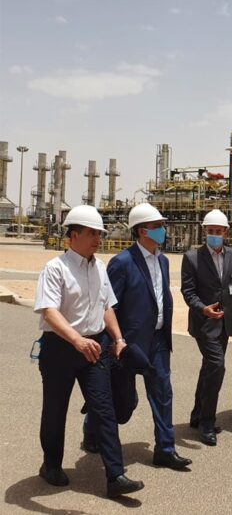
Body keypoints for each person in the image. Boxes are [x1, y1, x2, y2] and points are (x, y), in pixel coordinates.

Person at [34, 205, 144, 498]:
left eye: (100, 233)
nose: (98, 238)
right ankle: (51, 465)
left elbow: (106, 306)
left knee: (104, 410)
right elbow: (49, 311)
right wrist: (75, 340)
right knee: (55, 411)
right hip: (60, 348)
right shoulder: (55, 268)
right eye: (92, 233)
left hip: (94, 347)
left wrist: (118, 339)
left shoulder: (99, 267)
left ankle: (115, 476)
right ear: (73, 235)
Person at [84, 203, 191, 470]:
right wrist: (114, 342)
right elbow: (108, 305)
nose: (163, 231)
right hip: (129, 344)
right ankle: (91, 428)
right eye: (157, 227)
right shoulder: (122, 262)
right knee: (122, 400)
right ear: (142, 231)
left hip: (158, 340)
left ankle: (165, 449)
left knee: (163, 393)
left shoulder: (163, 260)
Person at [181, 209, 232, 445]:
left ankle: (196, 413)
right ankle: (206, 422)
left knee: (209, 368)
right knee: (217, 365)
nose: (214, 235)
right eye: (210, 231)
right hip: (204, 323)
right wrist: (203, 308)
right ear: (204, 232)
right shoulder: (192, 258)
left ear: (226, 232)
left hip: (226, 323)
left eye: (218, 231)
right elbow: (188, 291)